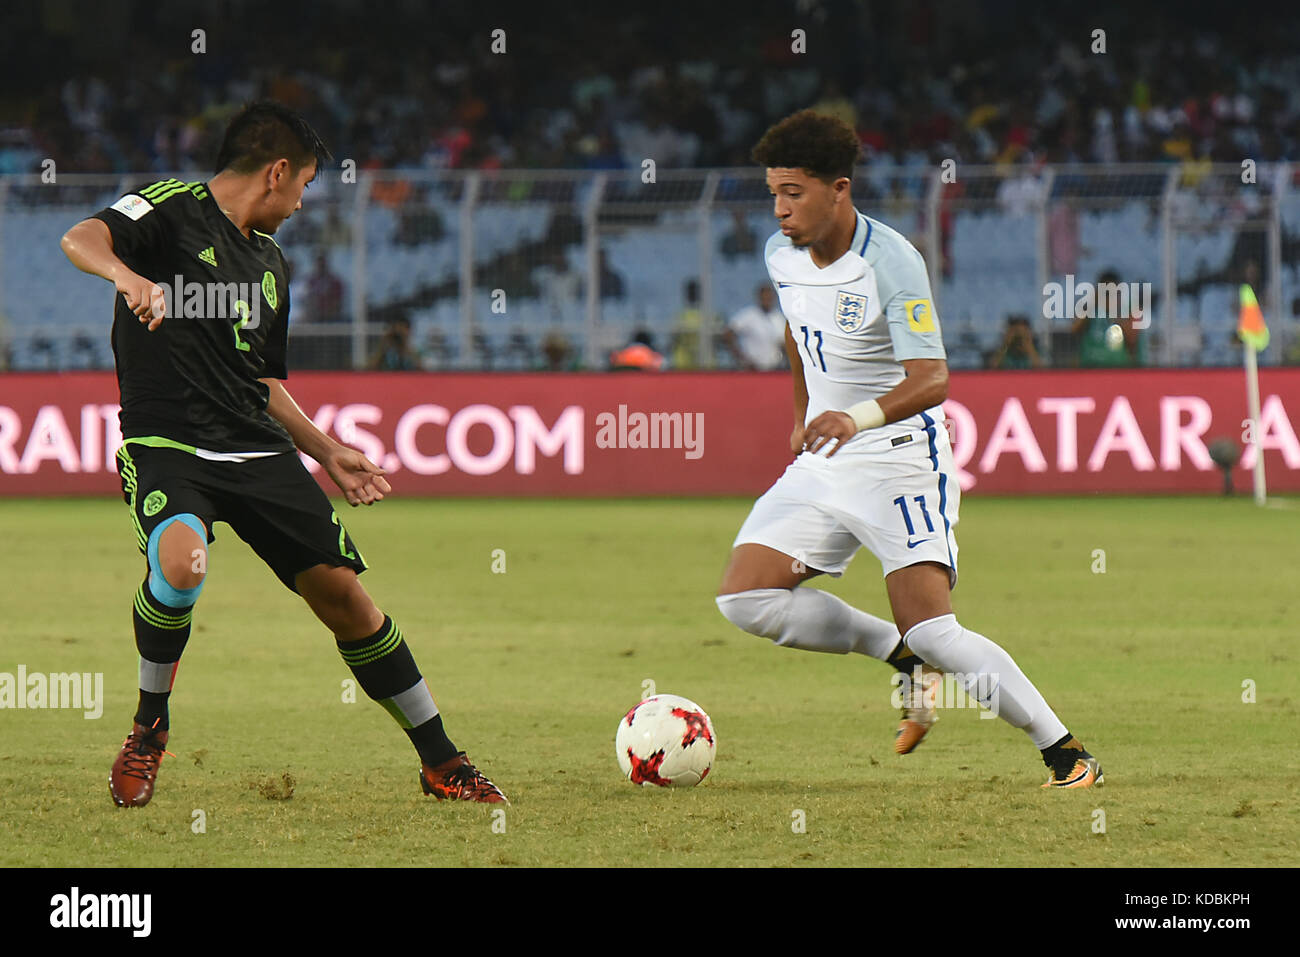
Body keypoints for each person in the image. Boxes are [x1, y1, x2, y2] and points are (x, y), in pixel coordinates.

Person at [59, 100, 505, 808]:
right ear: (275, 172)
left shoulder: (269, 265)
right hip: (168, 443)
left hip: (257, 452)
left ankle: (441, 760)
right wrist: (126, 277)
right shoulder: (170, 209)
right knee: (180, 564)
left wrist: (329, 451)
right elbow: (79, 236)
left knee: (348, 601)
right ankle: (149, 727)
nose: (301, 204)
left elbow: (262, 382)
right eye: (302, 186)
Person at [715, 110, 1102, 789]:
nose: (778, 209)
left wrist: (852, 416)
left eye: (793, 193)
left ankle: (1066, 752)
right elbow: (795, 331)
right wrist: (802, 415)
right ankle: (897, 656)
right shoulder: (781, 255)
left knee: (935, 629)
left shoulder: (890, 261)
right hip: (825, 458)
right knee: (744, 599)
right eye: (773, 192)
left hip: (899, 459)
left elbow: (933, 378)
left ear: (838, 188)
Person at [724, 284, 787, 370]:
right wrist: (740, 357)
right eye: (764, 298)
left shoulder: (778, 317)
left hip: (774, 368)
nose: (767, 300)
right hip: (752, 368)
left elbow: (783, 343)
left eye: (769, 298)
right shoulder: (749, 315)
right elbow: (728, 333)